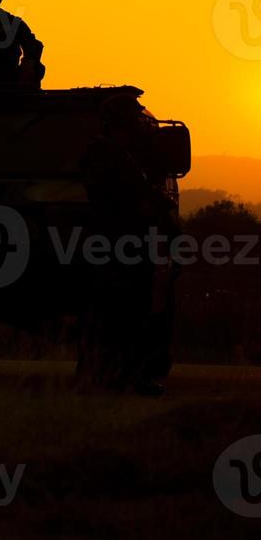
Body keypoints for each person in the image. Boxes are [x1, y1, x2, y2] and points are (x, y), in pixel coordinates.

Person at [77, 94, 177, 396]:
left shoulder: (115, 154)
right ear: (118, 124)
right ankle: (123, 377)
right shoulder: (106, 155)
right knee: (123, 314)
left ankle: (108, 376)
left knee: (119, 314)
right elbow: (134, 194)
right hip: (117, 246)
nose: (136, 128)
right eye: (131, 121)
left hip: (121, 245)